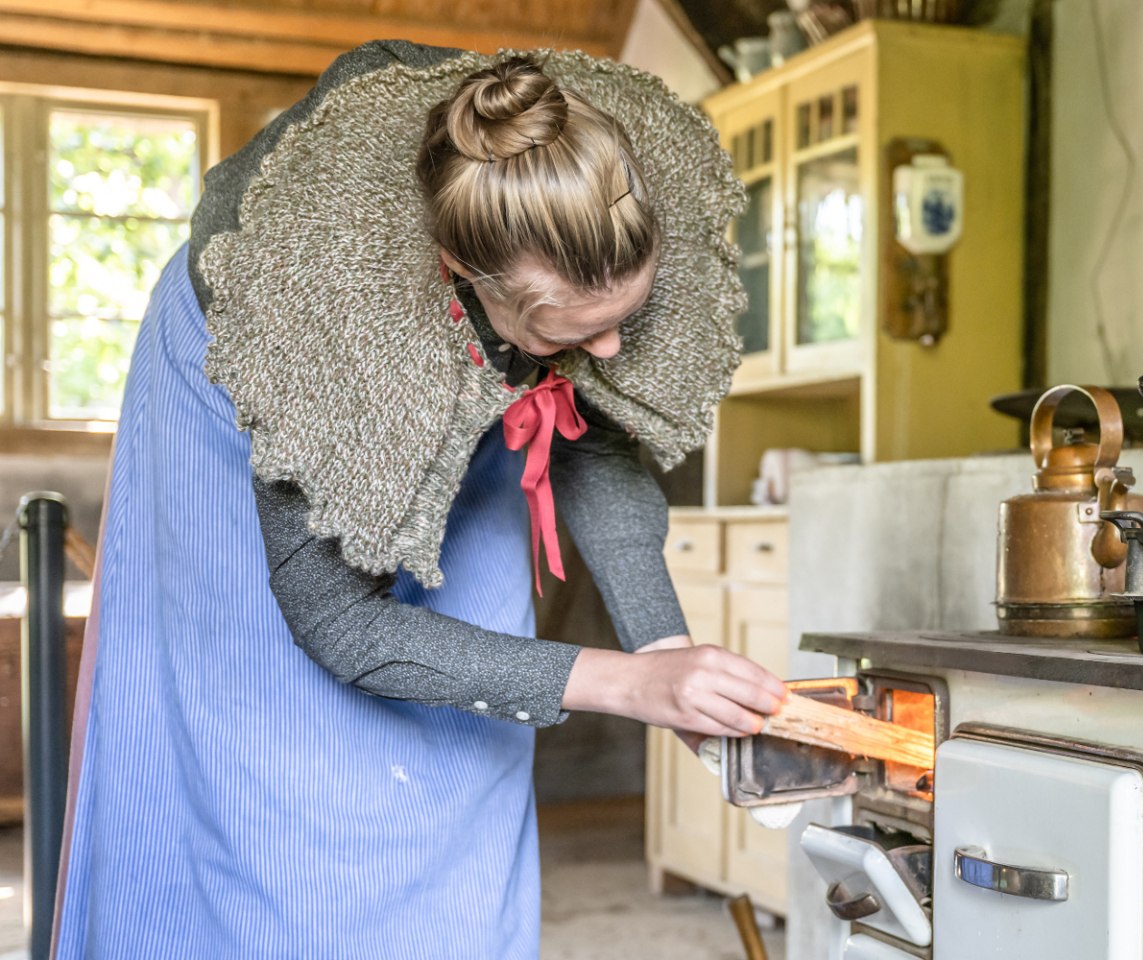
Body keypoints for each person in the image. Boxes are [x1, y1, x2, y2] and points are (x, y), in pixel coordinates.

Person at [53, 43, 785, 957]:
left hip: (455, 341)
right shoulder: (317, 305)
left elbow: (592, 428)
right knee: (271, 748)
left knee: (463, 721)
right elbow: (342, 625)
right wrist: (626, 685)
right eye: (578, 330)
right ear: (462, 268)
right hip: (253, 357)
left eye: (619, 324)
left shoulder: (586, 205)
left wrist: (668, 657)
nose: (607, 353)